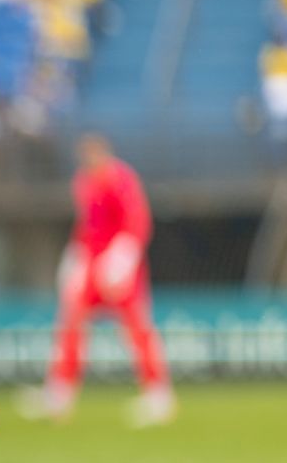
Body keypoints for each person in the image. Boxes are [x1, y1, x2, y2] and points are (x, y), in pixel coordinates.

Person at [24, 133, 174, 426]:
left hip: (119, 265)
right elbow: (86, 225)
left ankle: (158, 395)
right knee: (70, 325)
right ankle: (59, 394)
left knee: (137, 329)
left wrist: (124, 256)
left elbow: (137, 221)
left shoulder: (121, 179)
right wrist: (76, 256)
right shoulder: (83, 182)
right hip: (92, 264)